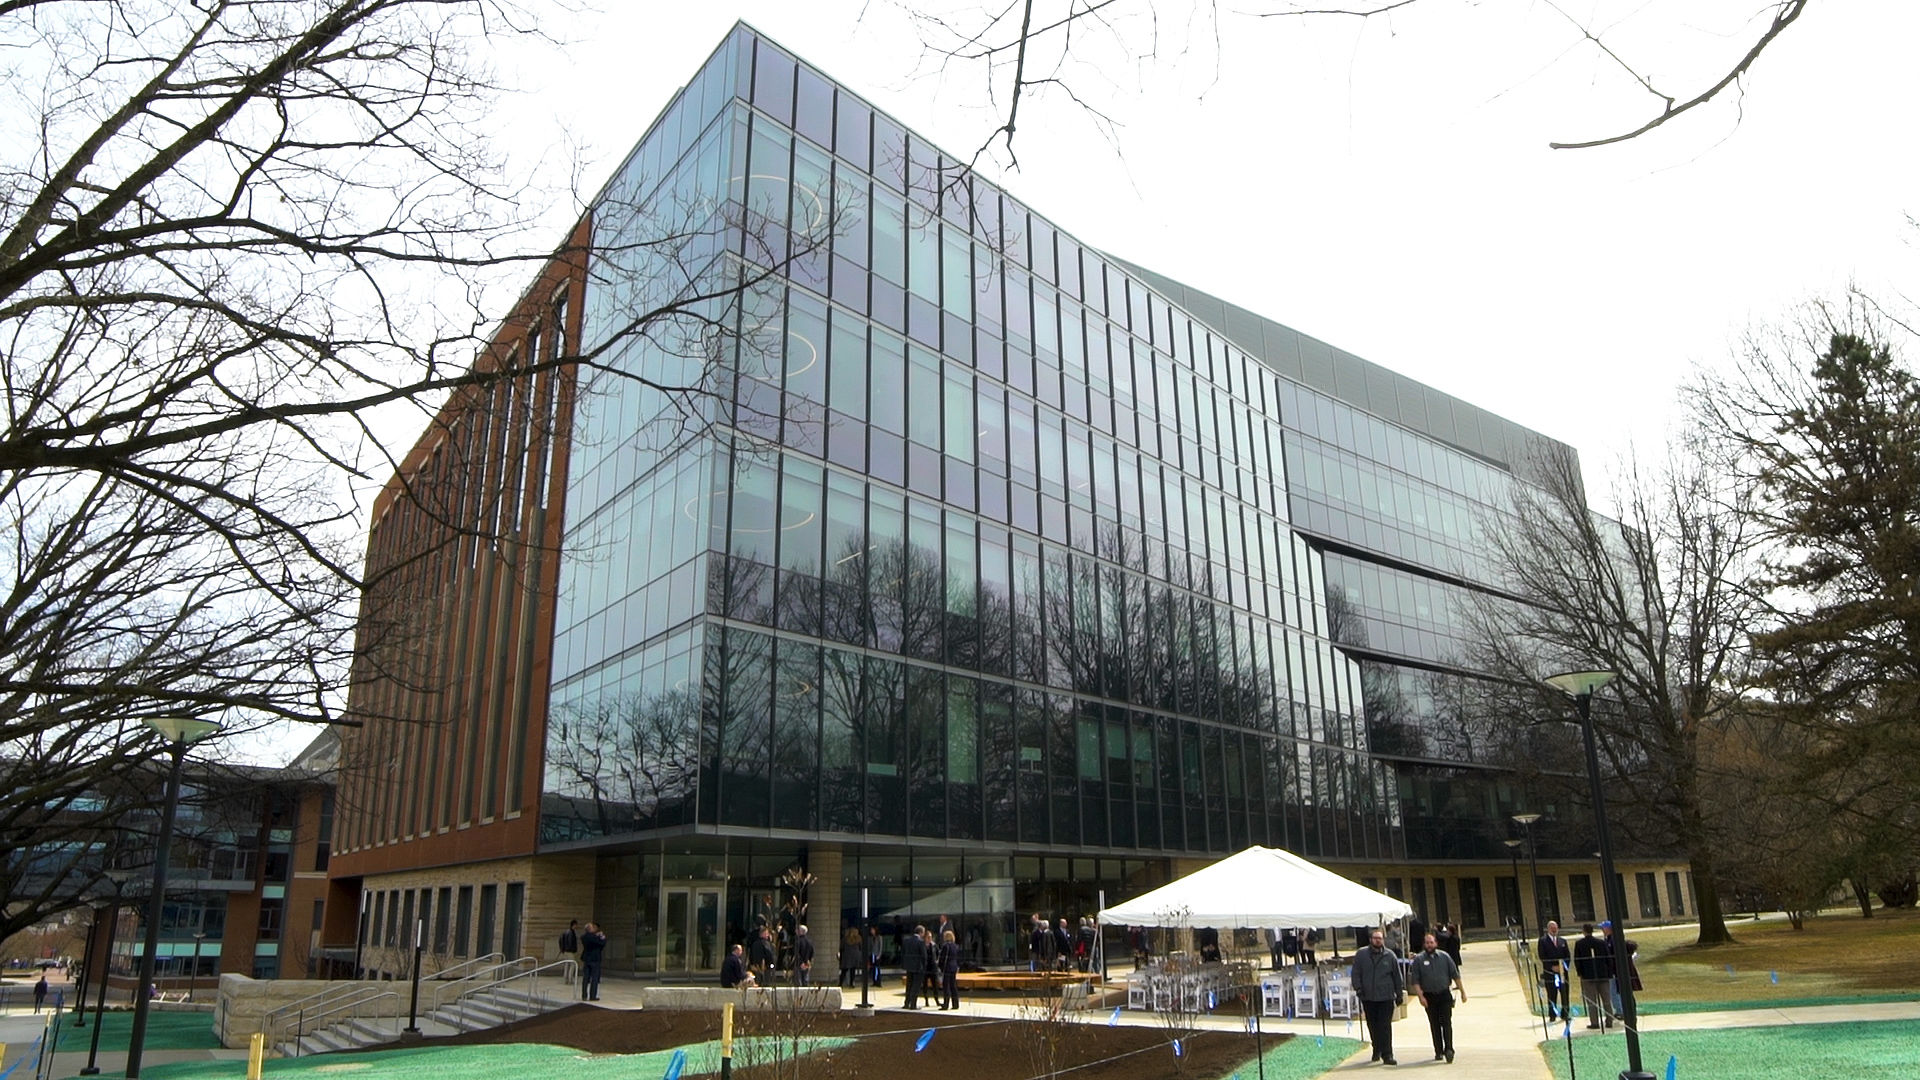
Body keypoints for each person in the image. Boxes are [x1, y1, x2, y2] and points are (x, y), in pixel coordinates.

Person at [1351, 928, 1405, 1066]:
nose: (1377, 940)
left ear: (1383, 940)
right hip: (1368, 996)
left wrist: (1399, 994)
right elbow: (1356, 973)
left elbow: (1397, 977)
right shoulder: (1362, 954)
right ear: (1371, 939)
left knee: (1385, 1026)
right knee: (1372, 1025)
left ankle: (1388, 1054)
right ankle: (1377, 1048)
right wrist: (1358, 988)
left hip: (1386, 996)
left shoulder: (1390, 955)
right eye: (1375, 938)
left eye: (1380, 938)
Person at [1411, 933, 1467, 1064]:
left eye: (1431, 942)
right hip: (1429, 997)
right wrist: (1421, 997)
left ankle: (1449, 1049)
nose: (1429, 945)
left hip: (1444, 995)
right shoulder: (1418, 960)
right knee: (1434, 1024)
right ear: (1424, 944)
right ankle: (1438, 1050)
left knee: (1446, 1022)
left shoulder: (1445, 957)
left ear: (1436, 943)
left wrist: (1463, 992)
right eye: (1427, 943)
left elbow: (1455, 975)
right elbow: (1415, 981)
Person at [1574, 923, 1615, 1029]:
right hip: (1603, 975)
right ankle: (1609, 1020)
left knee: (1592, 1001)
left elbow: (1577, 961)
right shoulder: (1601, 943)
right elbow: (1608, 958)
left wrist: (1580, 974)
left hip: (1588, 977)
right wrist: (1609, 973)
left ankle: (1595, 1022)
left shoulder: (1579, 944)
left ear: (1584, 931)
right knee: (1606, 999)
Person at [1536, 920, 1571, 1022]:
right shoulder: (1543, 941)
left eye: (1556, 928)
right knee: (1552, 994)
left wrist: (1563, 967)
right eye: (1552, 928)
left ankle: (1565, 1014)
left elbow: (1567, 956)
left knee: (1564, 993)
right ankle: (1552, 1015)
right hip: (1550, 973)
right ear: (1548, 929)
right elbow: (1542, 956)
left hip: (1563, 973)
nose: (1554, 930)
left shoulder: (1563, 941)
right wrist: (1552, 967)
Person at [901, 923, 930, 1009]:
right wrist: (924, 967)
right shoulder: (920, 942)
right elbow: (924, 956)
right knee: (916, 986)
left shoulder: (906, 941)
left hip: (909, 967)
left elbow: (903, 953)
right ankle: (913, 1004)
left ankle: (907, 1003)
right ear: (921, 932)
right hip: (918, 967)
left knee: (909, 986)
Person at [579, 921, 607, 1001]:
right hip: (595, 959)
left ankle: (584, 995)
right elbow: (602, 943)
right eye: (592, 927)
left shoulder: (584, 937)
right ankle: (592, 996)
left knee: (585, 978)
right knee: (594, 978)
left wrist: (596, 935)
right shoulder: (594, 937)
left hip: (587, 959)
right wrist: (602, 936)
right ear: (590, 929)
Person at [938, 928, 962, 1010]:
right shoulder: (955, 946)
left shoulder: (945, 946)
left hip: (947, 967)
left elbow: (942, 958)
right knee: (953, 986)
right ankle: (955, 1004)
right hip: (954, 967)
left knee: (946, 986)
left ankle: (946, 1004)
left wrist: (940, 966)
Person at [559, 919, 581, 985]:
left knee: (567, 964)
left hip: (565, 951)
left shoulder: (566, 932)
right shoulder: (571, 933)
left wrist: (562, 949)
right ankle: (570, 979)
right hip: (570, 951)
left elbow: (560, 940)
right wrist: (573, 949)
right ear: (574, 925)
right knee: (573, 964)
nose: (577, 926)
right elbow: (571, 942)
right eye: (576, 925)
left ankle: (566, 979)